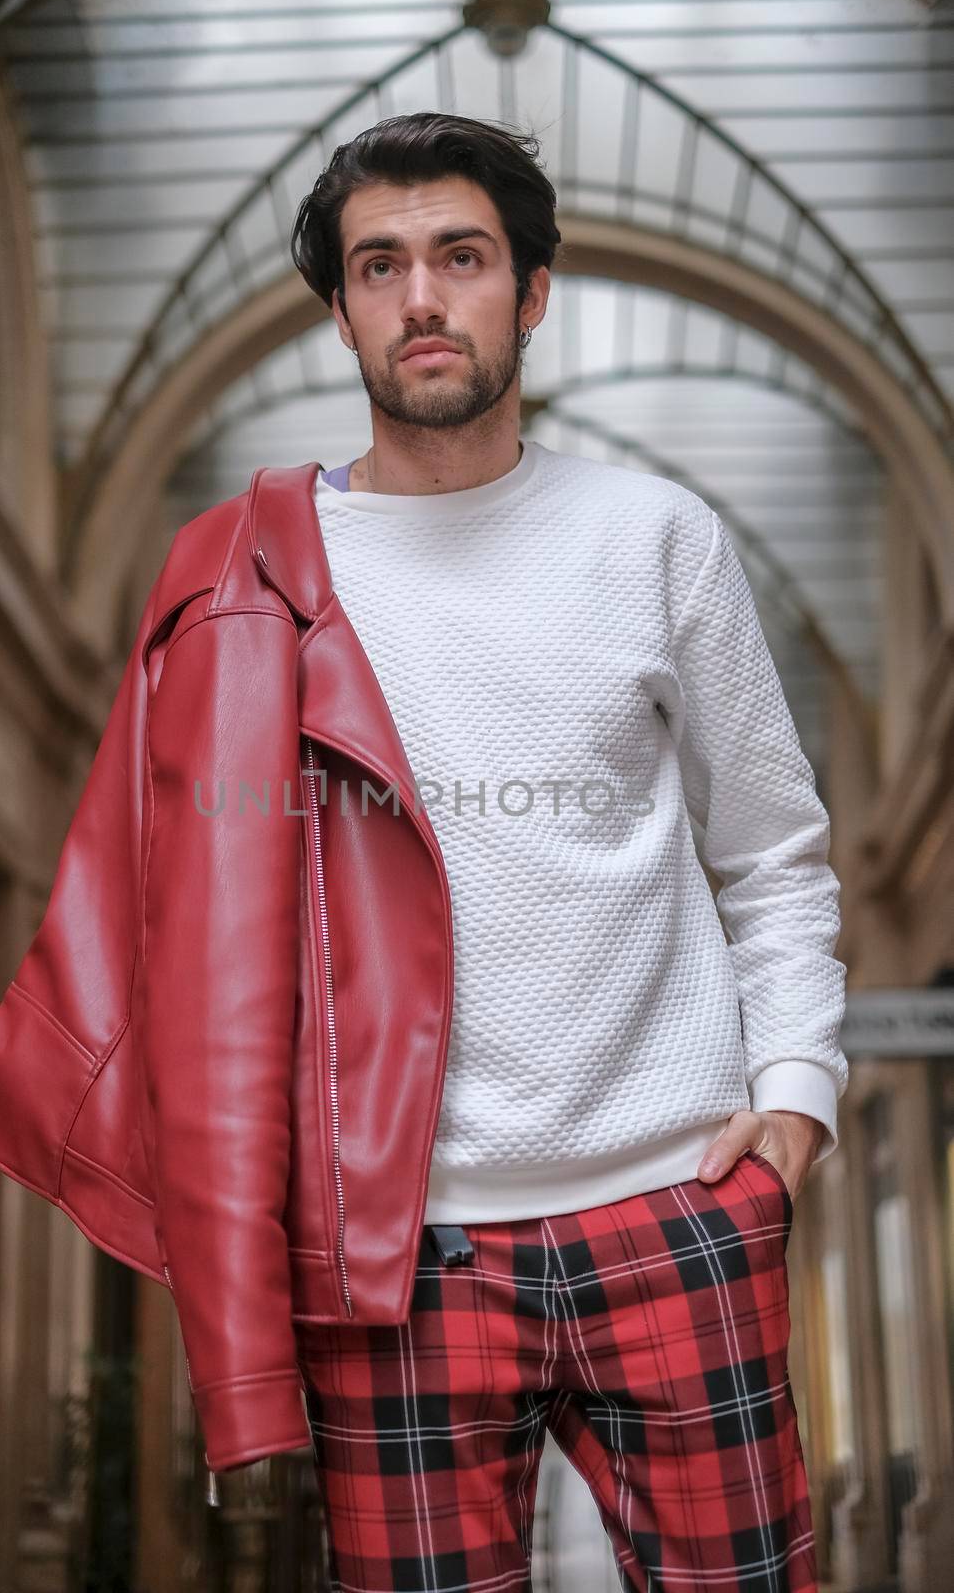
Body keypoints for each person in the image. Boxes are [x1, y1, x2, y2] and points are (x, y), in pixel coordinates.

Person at [285, 111, 847, 1592]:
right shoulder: (268, 576)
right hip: (398, 1247)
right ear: (340, 306)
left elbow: (776, 850)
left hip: (676, 1205)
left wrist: (791, 1111)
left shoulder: (657, 537)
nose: (422, 299)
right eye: (381, 264)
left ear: (529, 290)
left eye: (461, 257)